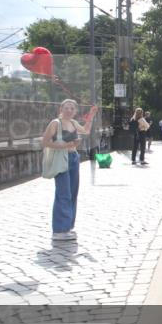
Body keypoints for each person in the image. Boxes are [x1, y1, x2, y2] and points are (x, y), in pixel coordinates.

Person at [43, 99, 98, 242]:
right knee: (63, 193)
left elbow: (85, 130)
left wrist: (91, 116)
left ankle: (68, 227)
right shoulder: (56, 123)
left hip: (74, 158)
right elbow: (45, 142)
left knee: (73, 192)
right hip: (62, 158)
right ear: (61, 108)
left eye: (72, 108)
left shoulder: (73, 123)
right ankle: (59, 230)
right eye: (66, 108)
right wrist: (64, 145)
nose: (69, 110)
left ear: (75, 111)